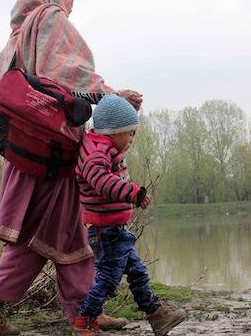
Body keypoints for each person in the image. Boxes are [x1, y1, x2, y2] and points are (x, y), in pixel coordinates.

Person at [0, 0, 143, 336]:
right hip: (52, 154)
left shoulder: (15, 39)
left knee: (71, 233)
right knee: (39, 235)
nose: (69, 7)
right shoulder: (50, 20)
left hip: (29, 153)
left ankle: (85, 313)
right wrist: (114, 97)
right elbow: (72, 77)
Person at [73, 94, 187, 336]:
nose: (132, 139)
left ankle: (157, 316)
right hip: (107, 231)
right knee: (107, 279)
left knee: (137, 272)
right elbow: (101, 181)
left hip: (115, 230)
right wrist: (133, 193)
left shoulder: (101, 146)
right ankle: (85, 322)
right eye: (130, 133)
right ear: (113, 131)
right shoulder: (96, 152)